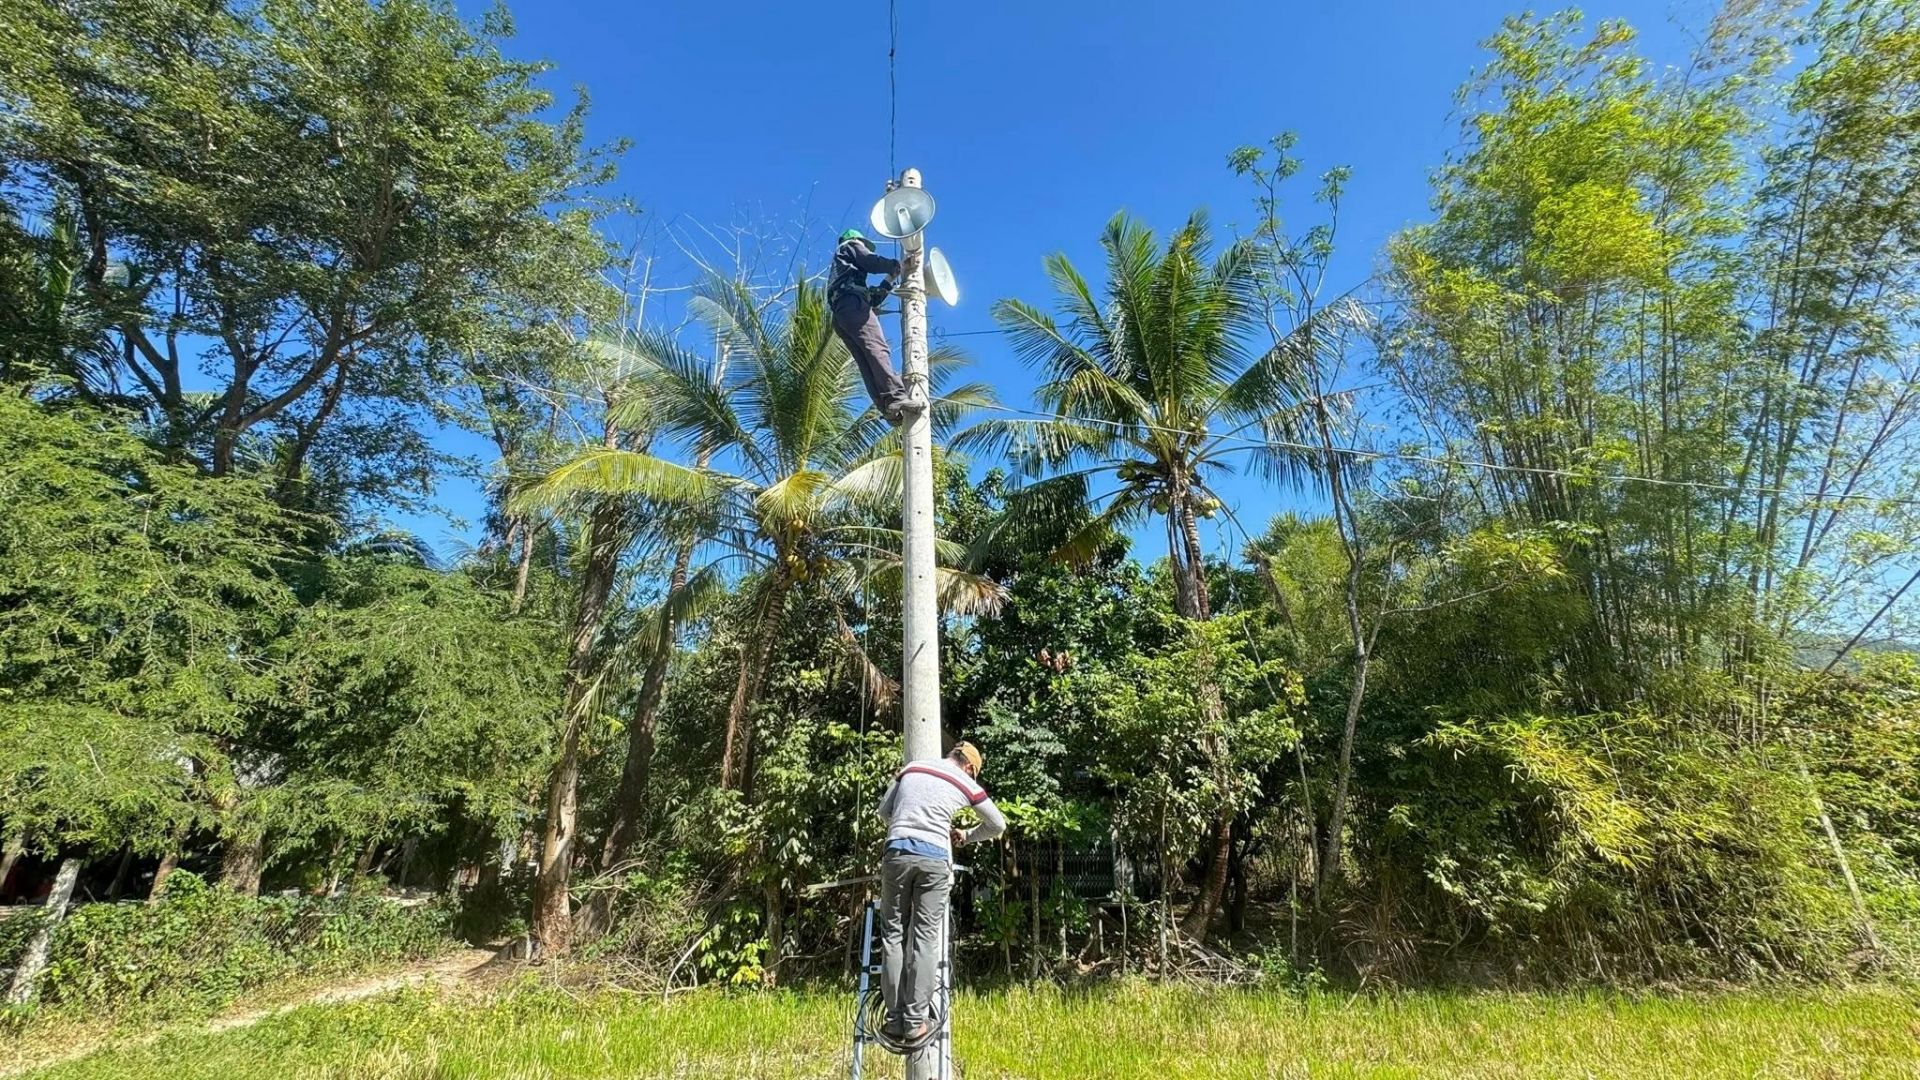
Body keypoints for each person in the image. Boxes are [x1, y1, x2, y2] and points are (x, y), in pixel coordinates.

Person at [873, 741, 1005, 1048]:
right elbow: (997, 824)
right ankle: (915, 1024)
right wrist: (967, 836)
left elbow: (884, 811)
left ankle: (893, 1020)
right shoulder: (965, 782)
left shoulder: (911, 768)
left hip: (896, 851)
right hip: (933, 859)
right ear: (969, 768)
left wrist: (908, 825)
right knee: (924, 937)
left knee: (893, 935)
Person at [830, 228, 922, 422]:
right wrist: (895, 264)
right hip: (852, 304)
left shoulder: (846, 276)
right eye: (864, 246)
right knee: (877, 349)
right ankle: (896, 396)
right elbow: (870, 261)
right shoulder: (849, 246)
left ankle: (887, 407)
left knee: (866, 359)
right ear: (856, 241)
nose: (865, 249)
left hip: (842, 313)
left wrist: (892, 276)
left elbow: (874, 298)